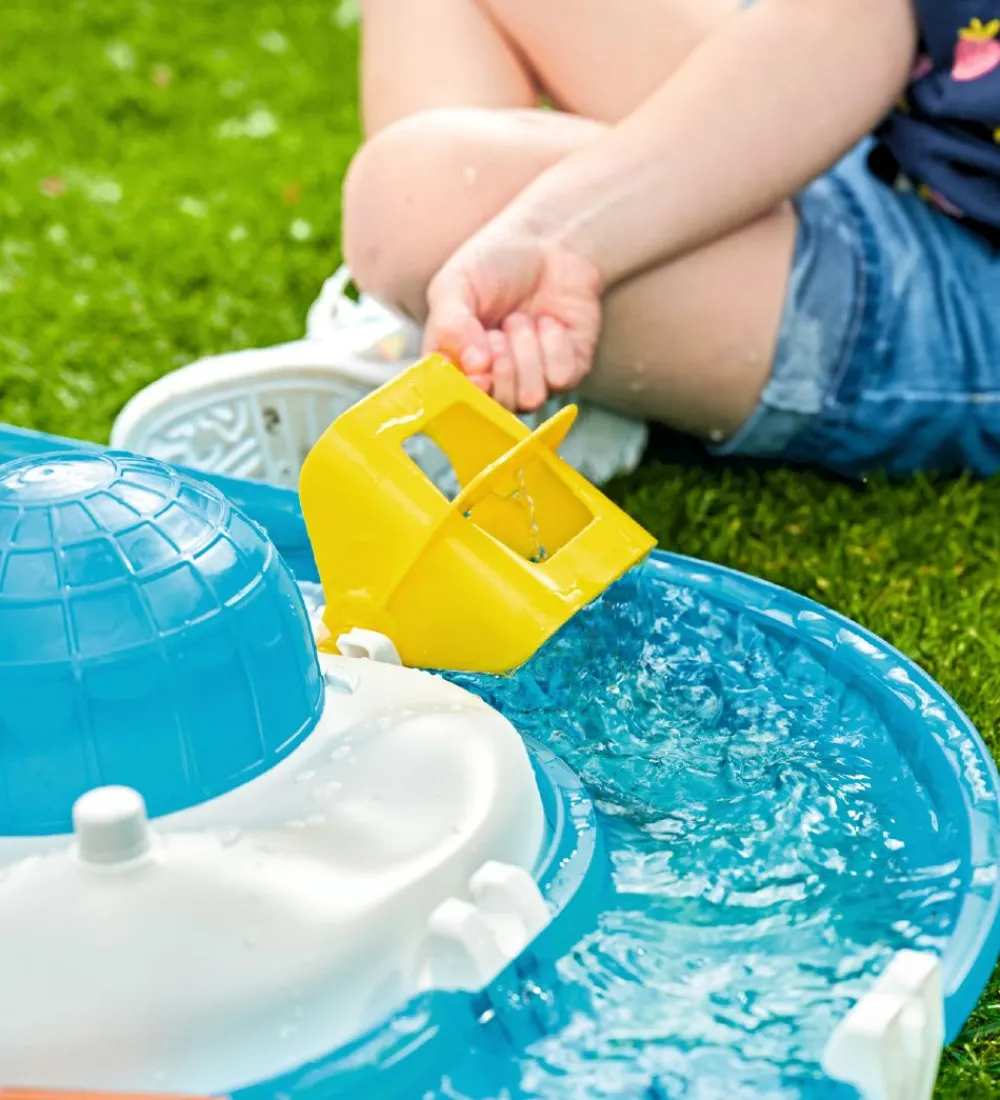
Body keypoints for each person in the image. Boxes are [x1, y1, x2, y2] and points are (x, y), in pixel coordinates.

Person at [112, 0, 1000, 489]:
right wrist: (565, 232)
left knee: (414, 197)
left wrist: (558, 237)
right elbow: (860, 22)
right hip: (877, 134)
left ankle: (482, 360)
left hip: (971, 284)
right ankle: (472, 352)